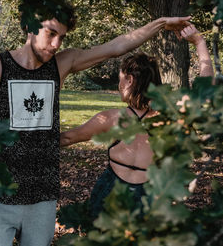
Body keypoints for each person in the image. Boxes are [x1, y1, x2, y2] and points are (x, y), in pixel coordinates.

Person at [0, 0, 193, 246]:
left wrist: (161, 23)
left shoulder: (61, 64)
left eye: (61, 38)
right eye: (51, 33)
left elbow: (116, 47)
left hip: (43, 195)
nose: (56, 45)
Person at [60, 24, 213, 218]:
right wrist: (200, 42)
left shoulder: (112, 119)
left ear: (130, 80)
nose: (119, 85)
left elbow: (66, 139)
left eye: (120, 80)